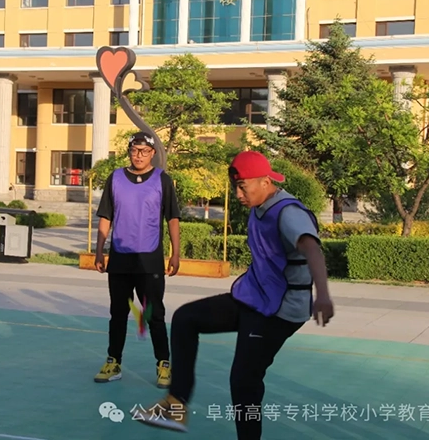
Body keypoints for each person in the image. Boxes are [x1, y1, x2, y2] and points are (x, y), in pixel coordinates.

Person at [133, 150, 335, 438]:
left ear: (265, 182)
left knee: (244, 381)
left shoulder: (288, 213)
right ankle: (176, 404)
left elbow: (312, 249)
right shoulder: (260, 206)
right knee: (186, 318)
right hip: (254, 298)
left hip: (279, 310)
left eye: (242, 187)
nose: (238, 194)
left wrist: (323, 295)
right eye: (235, 187)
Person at [93, 131, 181, 389]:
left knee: (154, 314)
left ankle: (163, 364)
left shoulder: (163, 180)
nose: (139, 155)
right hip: (120, 258)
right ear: (129, 152)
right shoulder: (115, 178)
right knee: (118, 313)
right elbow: (106, 216)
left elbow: (173, 218)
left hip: (149, 260)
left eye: (144, 151)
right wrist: (99, 250)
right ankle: (113, 362)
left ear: (153, 153)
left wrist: (175, 253)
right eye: (134, 150)